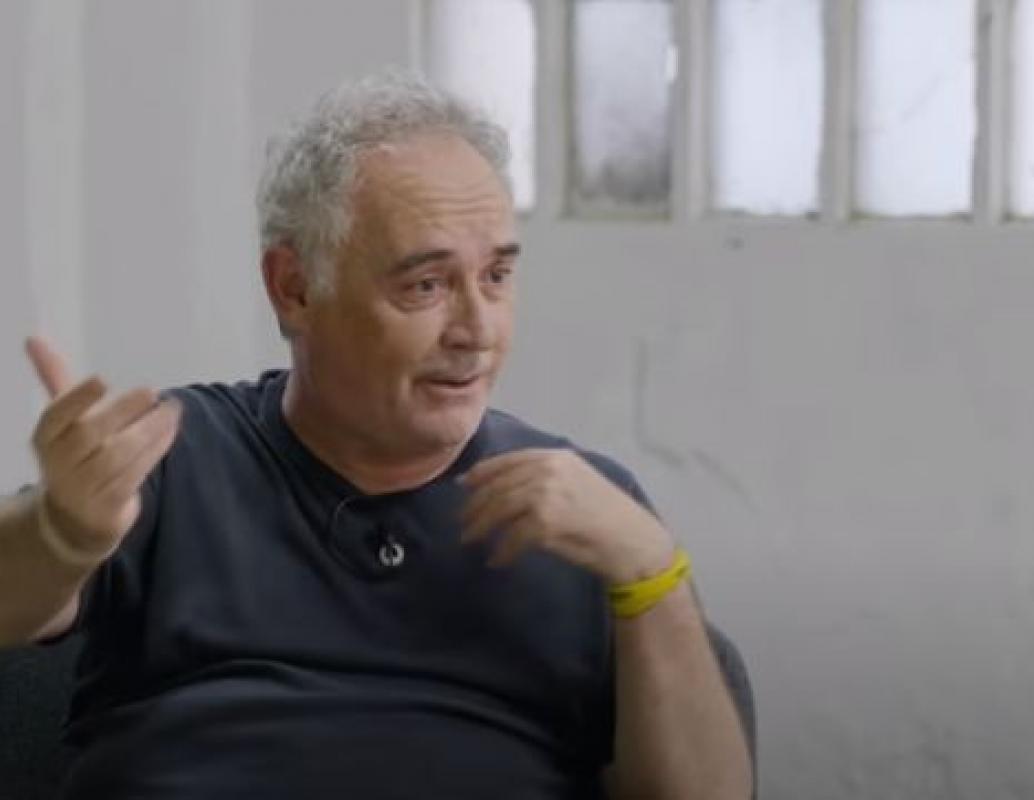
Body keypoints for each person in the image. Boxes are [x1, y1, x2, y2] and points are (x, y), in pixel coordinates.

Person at [0, 70, 752, 799]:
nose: (477, 331)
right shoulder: (176, 455)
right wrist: (64, 533)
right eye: (426, 285)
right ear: (295, 288)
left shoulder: (590, 514)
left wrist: (654, 571)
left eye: (496, 277)